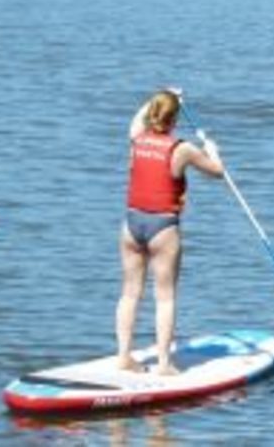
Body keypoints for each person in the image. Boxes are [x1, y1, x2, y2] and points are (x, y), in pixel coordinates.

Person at [115, 88, 224, 375]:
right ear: (175, 119)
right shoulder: (182, 149)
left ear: (152, 113)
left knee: (129, 293)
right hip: (162, 228)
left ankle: (123, 357)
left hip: (131, 224)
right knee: (165, 297)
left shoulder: (137, 138)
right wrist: (213, 150)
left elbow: (136, 120)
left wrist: (160, 95)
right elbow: (217, 171)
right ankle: (164, 364)